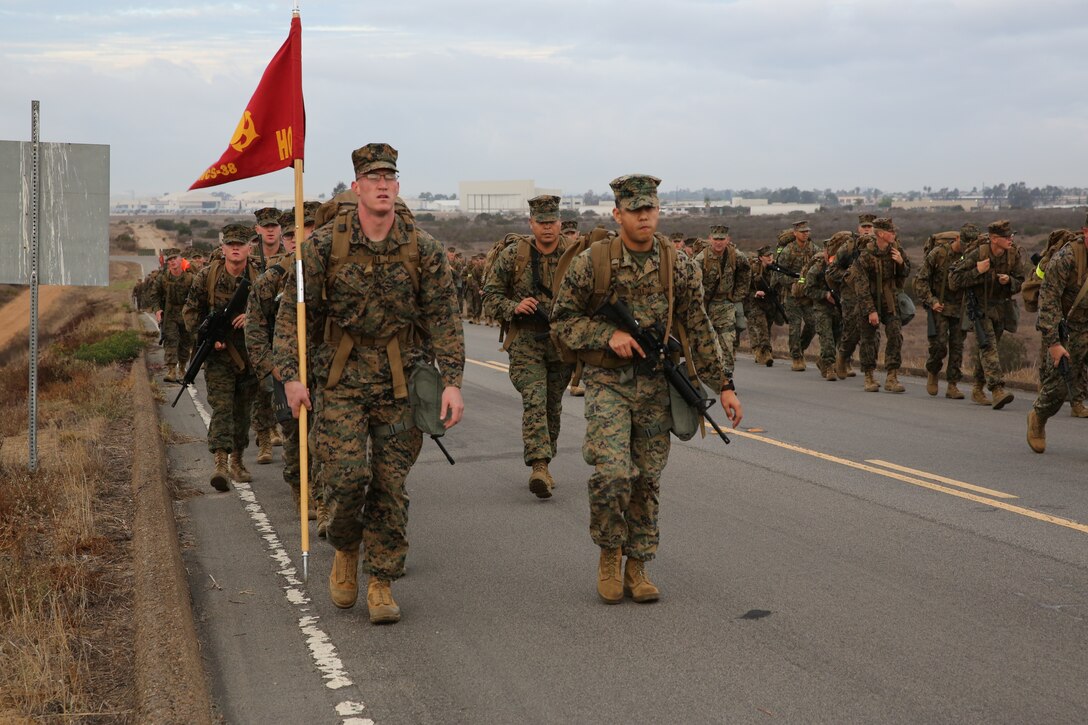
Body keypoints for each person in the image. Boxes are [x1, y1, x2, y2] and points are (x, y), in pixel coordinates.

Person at [274, 143, 465, 624]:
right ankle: (345, 548)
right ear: (356, 188)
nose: (382, 185)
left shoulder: (424, 249)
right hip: (341, 381)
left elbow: (445, 317)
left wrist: (452, 381)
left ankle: (381, 582)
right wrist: (293, 378)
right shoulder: (320, 248)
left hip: (401, 382)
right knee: (344, 479)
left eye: (390, 178)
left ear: (397, 188)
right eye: (373, 178)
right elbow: (292, 317)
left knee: (388, 484)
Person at [551, 174, 742, 605]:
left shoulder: (679, 265)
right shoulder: (594, 262)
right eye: (634, 209)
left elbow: (699, 325)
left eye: (650, 209)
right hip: (608, 384)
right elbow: (561, 319)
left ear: (658, 211)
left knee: (648, 482)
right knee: (613, 474)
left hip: (658, 385)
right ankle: (609, 552)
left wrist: (724, 385)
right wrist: (607, 336)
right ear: (617, 213)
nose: (643, 216)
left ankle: (637, 564)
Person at [481, 195, 574, 498]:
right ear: (531, 223)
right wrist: (514, 306)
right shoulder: (514, 256)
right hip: (525, 342)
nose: (548, 228)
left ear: (561, 223)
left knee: (552, 406)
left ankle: (547, 460)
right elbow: (490, 296)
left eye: (553, 222)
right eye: (541, 222)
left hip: (561, 343)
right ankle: (539, 466)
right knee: (535, 399)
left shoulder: (574, 256)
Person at [245, 206, 323, 530]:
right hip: (287, 371)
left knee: (326, 436)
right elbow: (255, 327)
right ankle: (300, 489)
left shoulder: (326, 272)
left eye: (305, 231)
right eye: (290, 234)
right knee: (295, 437)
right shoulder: (271, 279)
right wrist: (272, 368)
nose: (297, 239)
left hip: (325, 370)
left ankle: (323, 499)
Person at [183, 223, 261, 490]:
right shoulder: (206, 277)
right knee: (222, 408)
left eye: (241, 244)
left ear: (250, 248)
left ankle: (238, 460)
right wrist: (207, 337)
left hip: (250, 354)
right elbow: (190, 312)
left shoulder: (260, 277)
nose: (236, 248)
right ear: (223, 248)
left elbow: (278, 311)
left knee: (242, 411)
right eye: (231, 244)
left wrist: (252, 318)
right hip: (219, 357)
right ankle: (220, 463)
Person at [949, 220, 1024, 410]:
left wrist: (1010, 281)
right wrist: (977, 271)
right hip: (980, 308)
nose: (1010, 240)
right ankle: (997, 389)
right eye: (1006, 237)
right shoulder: (978, 254)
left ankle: (977, 388)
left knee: (988, 349)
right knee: (988, 345)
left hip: (1000, 309)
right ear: (994, 239)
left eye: (1011, 236)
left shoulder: (1013, 254)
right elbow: (954, 281)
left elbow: (1021, 280)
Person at [1027, 221, 1088, 452]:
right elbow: (1048, 300)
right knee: (1058, 388)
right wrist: (1053, 343)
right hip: (1065, 328)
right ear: (1085, 232)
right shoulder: (1067, 258)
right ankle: (1038, 418)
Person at [850, 218, 911, 392]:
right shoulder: (866, 255)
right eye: (891, 232)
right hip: (869, 300)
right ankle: (869, 377)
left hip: (889, 300)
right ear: (881, 234)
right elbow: (861, 287)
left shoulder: (896, 251)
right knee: (868, 339)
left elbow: (906, 272)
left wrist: (900, 263)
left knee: (895, 335)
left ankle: (892, 377)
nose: (894, 234)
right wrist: (871, 311)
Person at [692, 225, 749, 382]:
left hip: (725, 305)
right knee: (704, 345)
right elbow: (692, 283)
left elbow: (746, 271)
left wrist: (738, 295)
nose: (718, 242)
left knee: (727, 342)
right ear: (710, 239)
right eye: (716, 239)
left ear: (728, 240)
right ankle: (706, 376)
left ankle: (727, 377)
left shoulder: (735, 256)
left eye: (722, 239)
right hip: (705, 307)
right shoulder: (700, 259)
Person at [914, 231, 966, 399]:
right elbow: (920, 280)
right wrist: (932, 301)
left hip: (960, 308)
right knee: (940, 346)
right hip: (940, 306)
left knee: (957, 347)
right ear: (957, 239)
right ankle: (933, 370)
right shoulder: (938, 254)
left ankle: (952, 385)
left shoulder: (970, 256)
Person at [829, 213, 875, 378]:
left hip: (872, 295)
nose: (867, 230)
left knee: (873, 334)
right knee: (851, 331)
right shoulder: (849, 246)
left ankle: (869, 372)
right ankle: (843, 357)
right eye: (864, 227)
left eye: (870, 227)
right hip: (851, 296)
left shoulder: (881, 246)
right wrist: (849, 275)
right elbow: (832, 270)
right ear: (859, 228)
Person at [774, 220, 820, 371]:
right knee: (794, 326)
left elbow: (819, 265)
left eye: (807, 231)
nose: (805, 234)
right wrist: (794, 284)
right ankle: (796, 357)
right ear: (795, 233)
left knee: (812, 324)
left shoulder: (813, 248)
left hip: (807, 295)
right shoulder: (788, 251)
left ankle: (800, 347)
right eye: (802, 232)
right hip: (792, 295)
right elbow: (780, 273)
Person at [804, 232, 850, 381]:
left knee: (838, 338)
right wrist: (824, 295)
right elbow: (807, 289)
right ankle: (829, 367)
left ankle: (825, 361)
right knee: (827, 338)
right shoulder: (817, 268)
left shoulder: (841, 267)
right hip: (822, 308)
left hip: (838, 308)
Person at [153, 248, 195, 383]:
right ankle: (171, 370)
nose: (172, 262)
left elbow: (198, 296)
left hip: (186, 315)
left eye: (174, 259)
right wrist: (157, 310)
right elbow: (155, 295)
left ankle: (182, 368)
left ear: (180, 259)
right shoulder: (163, 279)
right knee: (171, 340)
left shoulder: (190, 278)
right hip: (169, 315)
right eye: (169, 260)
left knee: (185, 342)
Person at [745, 245, 780, 366]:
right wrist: (755, 293)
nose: (770, 258)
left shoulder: (776, 269)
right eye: (767, 256)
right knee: (762, 327)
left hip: (769, 303)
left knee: (768, 327)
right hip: (755, 302)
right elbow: (744, 287)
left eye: (771, 255)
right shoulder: (753, 269)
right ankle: (766, 353)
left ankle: (760, 351)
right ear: (760, 258)